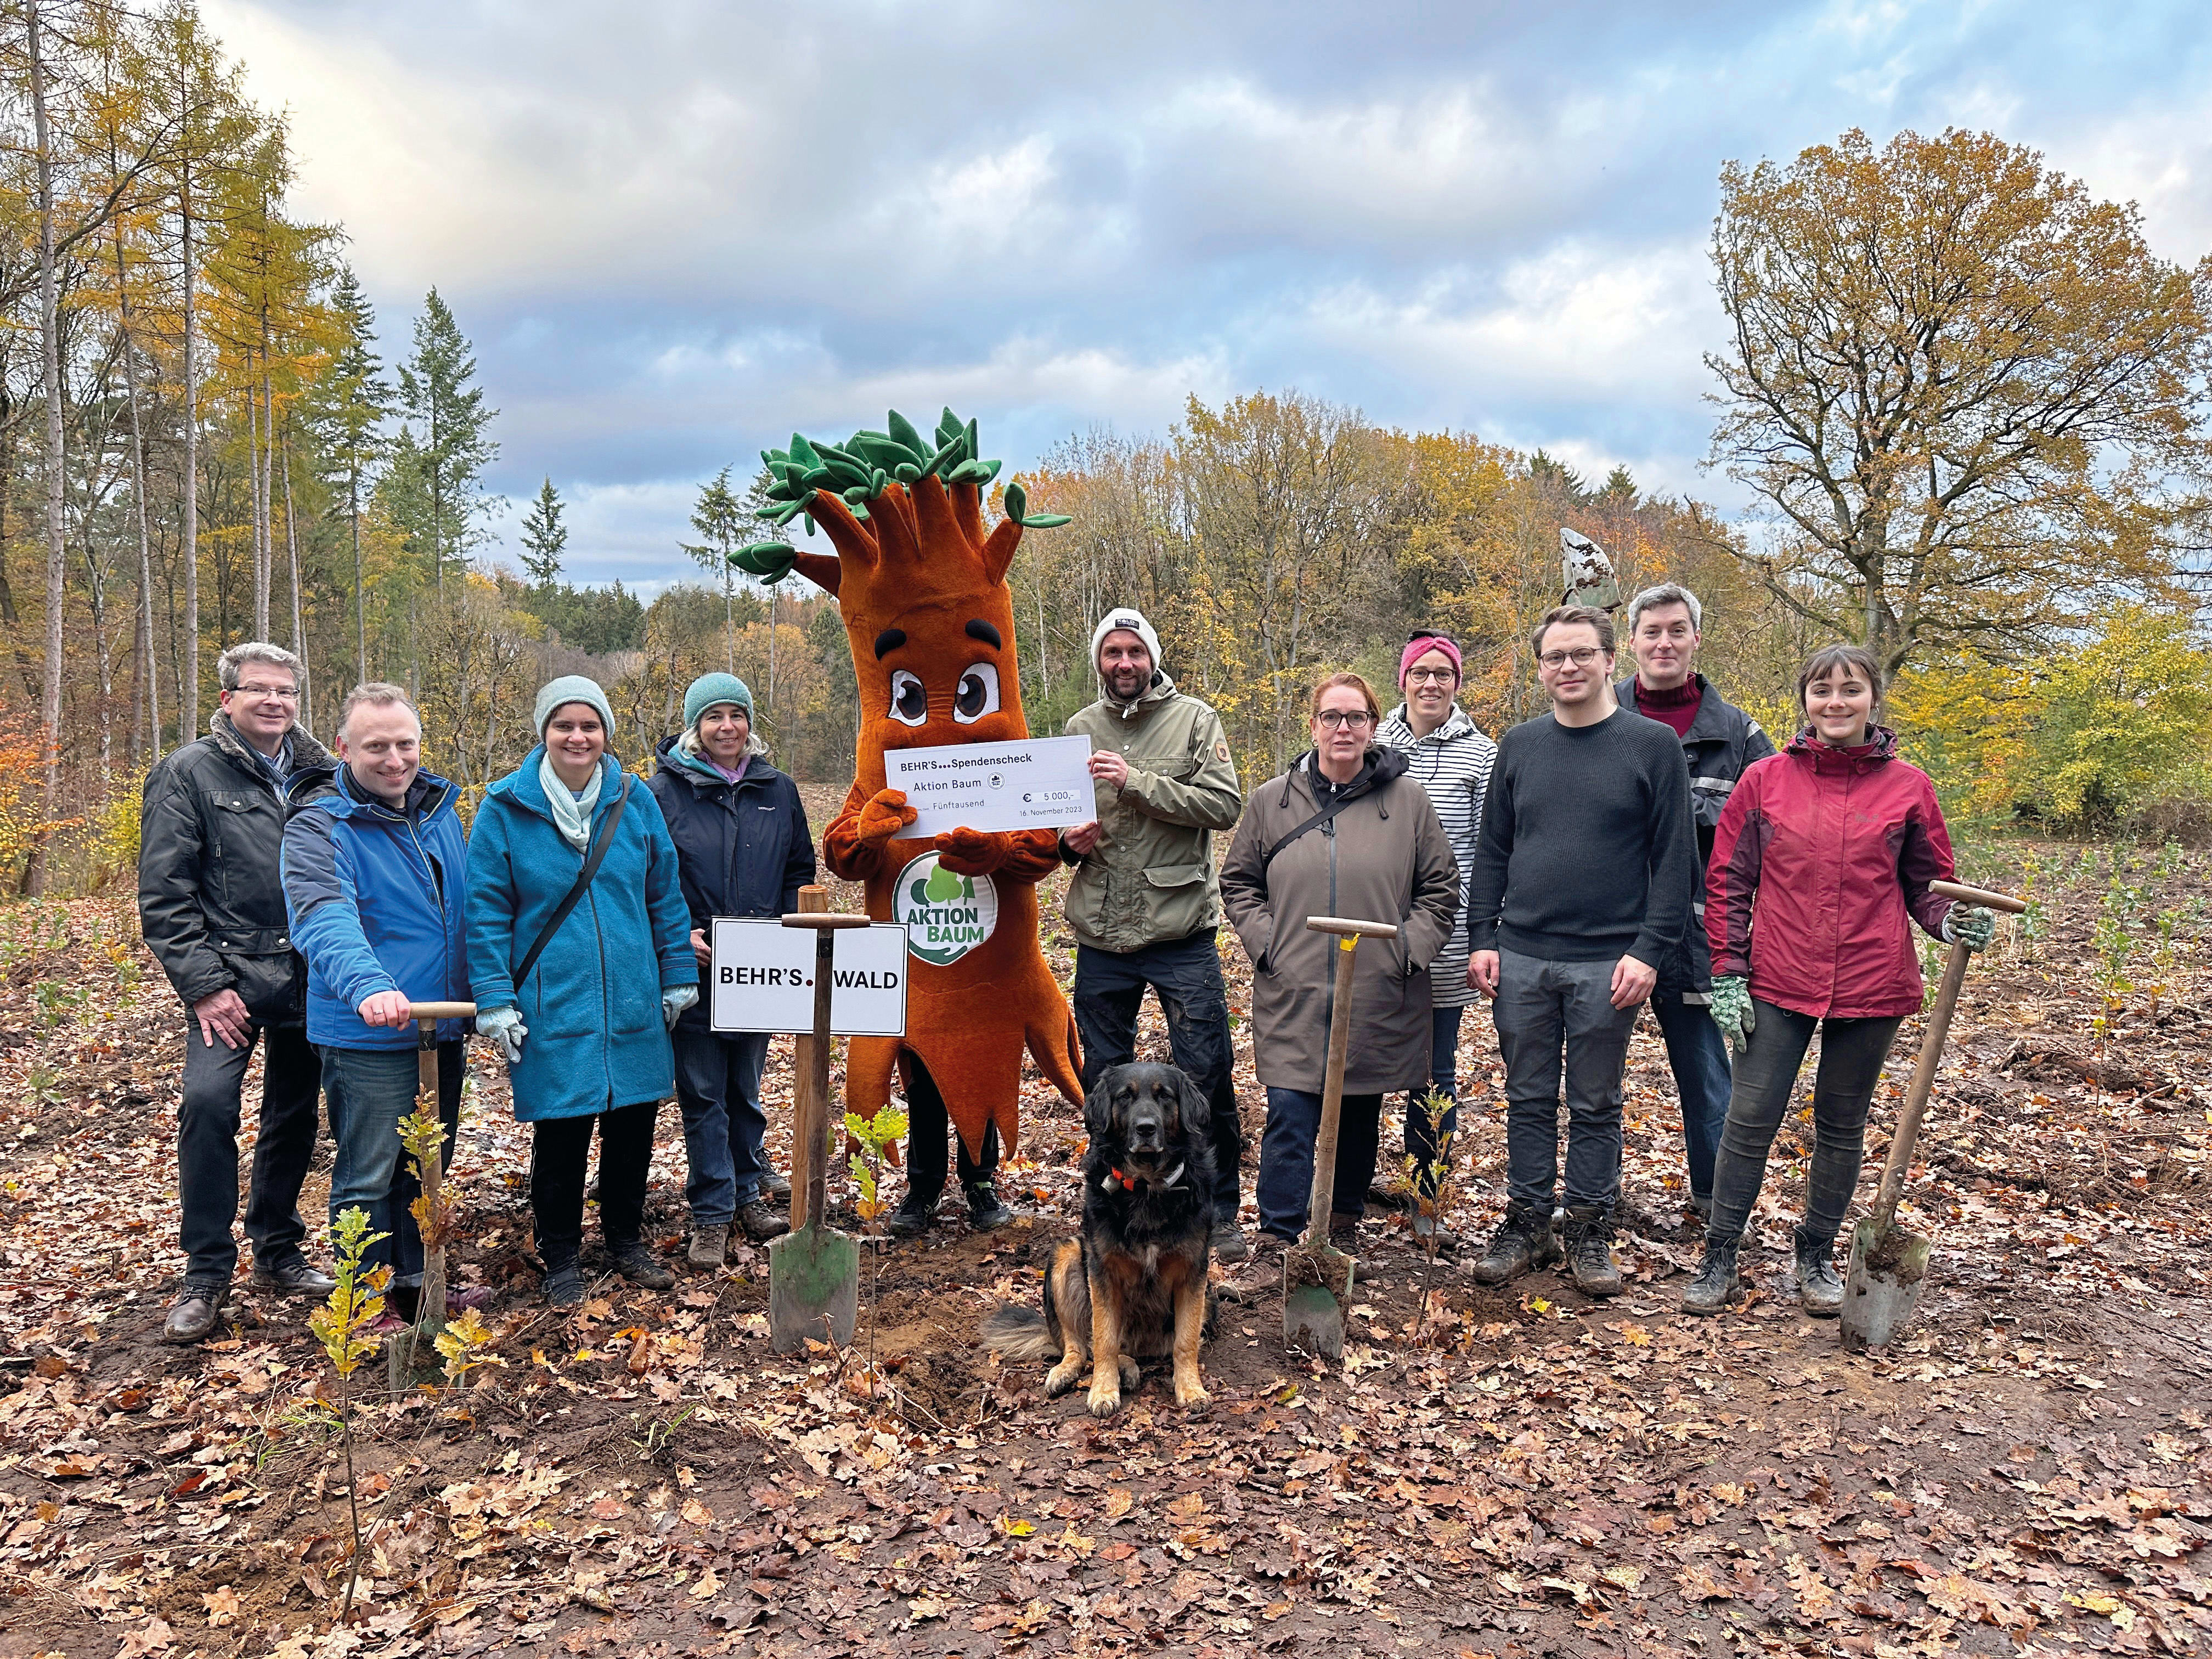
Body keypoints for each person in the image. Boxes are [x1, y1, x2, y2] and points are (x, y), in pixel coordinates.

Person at [1682, 645, 1994, 1316]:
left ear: (1872, 699)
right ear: (1805, 701)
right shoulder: (1765, 781)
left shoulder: (1910, 788)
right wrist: (1729, 970)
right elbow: (1729, 881)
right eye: (1822, 690)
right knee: (1749, 1119)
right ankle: (1720, 1255)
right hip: (1778, 976)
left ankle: (1816, 1254)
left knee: (1843, 1124)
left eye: (1850, 690)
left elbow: (1929, 886)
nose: (1836, 702)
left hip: (1871, 979)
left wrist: (1951, 922)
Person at [1463, 605, 1696, 1298]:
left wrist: (1650, 951)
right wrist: (1483, 937)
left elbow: (1675, 861)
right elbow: (1494, 849)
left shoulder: (1651, 745)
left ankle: (1589, 1227)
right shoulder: (1520, 745)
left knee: (1596, 1102)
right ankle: (1528, 1221)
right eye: (1555, 657)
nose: (1568, 667)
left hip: (1609, 963)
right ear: (1541, 668)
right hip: (1522, 955)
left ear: (1609, 660)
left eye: (1582, 654)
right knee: (1527, 1095)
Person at [466, 676, 698, 1306]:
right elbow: (484, 911)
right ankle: (562, 1258)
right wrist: (494, 997)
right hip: (552, 1004)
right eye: (564, 725)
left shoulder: (634, 800)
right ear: (544, 732)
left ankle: (625, 1241)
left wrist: (677, 971)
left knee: (633, 1131)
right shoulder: (504, 809)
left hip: (633, 999)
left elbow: (664, 893)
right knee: (561, 1138)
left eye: (589, 725)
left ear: (605, 734)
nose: (577, 737)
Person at [1220, 673, 1458, 1275]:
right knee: (1291, 1111)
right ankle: (1277, 1235)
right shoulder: (1272, 801)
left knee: (1358, 1110)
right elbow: (1239, 881)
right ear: (1314, 725)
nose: (1343, 728)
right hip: (1294, 987)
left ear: (1374, 726)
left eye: (1356, 717)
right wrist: (1267, 944)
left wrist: (1407, 951)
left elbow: (1440, 888)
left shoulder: (1408, 802)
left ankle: (1342, 1225)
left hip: (1377, 986)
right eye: (1332, 716)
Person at [139, 642, 337, 1345]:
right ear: (228, 699)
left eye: (286, 690)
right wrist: (205, 987)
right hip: (228, 976)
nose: (275, 701)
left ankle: (278, 1249)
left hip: (309, 973)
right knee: (208, 1104)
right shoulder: (187, 773)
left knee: (294, 1113)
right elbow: (165, 893)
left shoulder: (323, 776)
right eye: (259, 689)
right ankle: (205, 1272)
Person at [1057, 608, 1249, 1259]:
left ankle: (1217, 1209)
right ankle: (1111, 1202)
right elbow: (1054, 820)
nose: (1124, 663)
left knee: (1204, 1074)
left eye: (1135, 652)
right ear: (1100, 660)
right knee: (1104, 1080)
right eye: (1113, 652)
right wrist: (1066, 844)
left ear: (1152, 659)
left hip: (1179, 929)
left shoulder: (1195, 721)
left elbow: (1223, 805)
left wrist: (1135, 783)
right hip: (1102, 932)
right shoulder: (1078, 730)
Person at [280, 684, 470, 1325]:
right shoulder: (320, 825)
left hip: (440, 1026)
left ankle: (416, 1284)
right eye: (376, 747)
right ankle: (363, 1299)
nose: (394, 760)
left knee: (426, 1165)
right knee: (369, 1173)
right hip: (369, 1031)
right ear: (343, 747)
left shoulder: (439, 813)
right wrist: (369, 987)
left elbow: (467, 911)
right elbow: (323, 916)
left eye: (405, 744)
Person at [1615, 583, 1774, 1220]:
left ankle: (1718, 1208)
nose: (1664, 642)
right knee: (1596, 1077)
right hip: (1610, 931)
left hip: (1702, 939)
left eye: (1677, 630)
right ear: (1631, 641)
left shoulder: (1738, 735)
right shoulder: (1596, 714)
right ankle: (1595, 1201)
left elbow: (1779, 831)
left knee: (1708, 1077)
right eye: (1652, 631)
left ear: (1696, 639)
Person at [648, 673, 814, 1267]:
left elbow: (799, 870)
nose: (727, 727)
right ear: (695, 727)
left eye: (736, 715)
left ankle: (748, 1195)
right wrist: (677, 936)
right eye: (714, 716)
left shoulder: (778, 789)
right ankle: (712, 1215)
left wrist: (791, 934)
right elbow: (649, 877)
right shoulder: (661, 793)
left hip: (760, 969)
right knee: (702, 1094)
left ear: (749, 723)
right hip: (694, 967)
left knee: (746, 1090)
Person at [1375, 629, 1497, 1248]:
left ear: (1456, 682)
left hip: (1445, 943)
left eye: (1442, 674)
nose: (1430, 683)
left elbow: (1492, 853)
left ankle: (1426, 1195)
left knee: (1433, 1073)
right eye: (1419, 673)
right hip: (1370, 936)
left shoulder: (1482, 756)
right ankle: (1351, 1187)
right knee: (1361, 1066)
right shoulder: (1371, 742)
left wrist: (1484, 936)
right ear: (1403, 680)